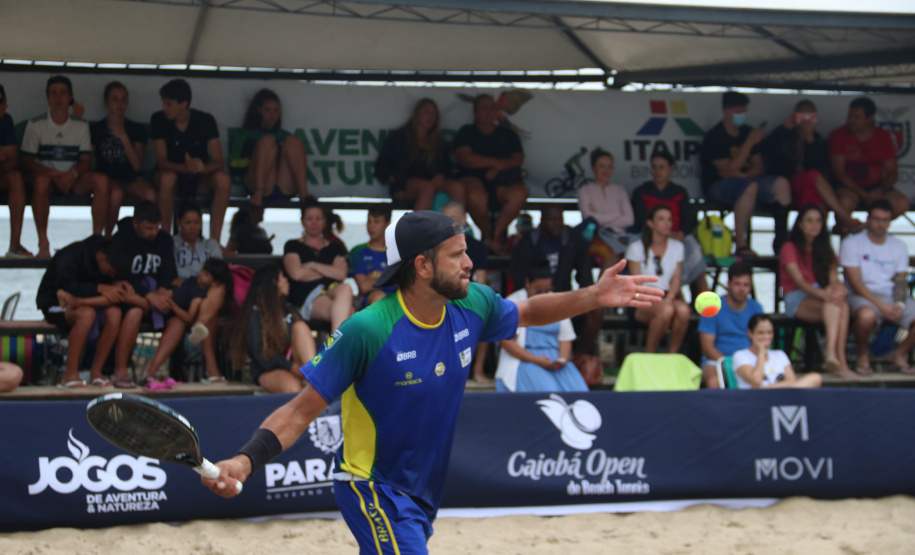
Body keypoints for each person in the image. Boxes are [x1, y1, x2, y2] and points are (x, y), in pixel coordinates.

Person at [202, 210, 662, 553]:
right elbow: (300, 411)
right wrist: (245, 461)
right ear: (422, 266)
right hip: (373, 485)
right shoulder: (369, 329)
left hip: (423, 490)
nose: (469, 262)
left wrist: (594, 295)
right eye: (457, 254)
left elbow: (528, 311)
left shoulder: (472, 303)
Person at [20, 75, 110, 258]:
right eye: (53, 93)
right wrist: (52, 174)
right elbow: (26, 161)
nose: (58, 98)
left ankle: (96, 241)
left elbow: (86, 160)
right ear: (47, 98)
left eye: (62, 93)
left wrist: (72, 175)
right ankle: (43, 243)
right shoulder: (36, 124)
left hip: (73, 179)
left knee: (101, 181)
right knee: (40, 182)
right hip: (47, 179)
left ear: (71, 97)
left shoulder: (80, 125)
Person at [699, 91, 792, 256]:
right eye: (738, 112)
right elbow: (729, 169)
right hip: (719, 187)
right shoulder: (715, 137)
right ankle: (741, 244)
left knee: (781, 184)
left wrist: (744, 176)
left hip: (749, 181)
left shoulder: (748, 131)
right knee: (749, 187)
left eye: (744, 111)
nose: (742, 115)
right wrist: (749, 142)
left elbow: (758, 166)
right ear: (727, 112)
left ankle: (781, 240)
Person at [35, 235, 135, 388]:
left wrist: (116, 283)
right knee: (87, 314)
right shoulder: (72, 255)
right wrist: (100, 288)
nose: (112, 276)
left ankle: (97, 372)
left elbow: (113, 293)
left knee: (114, 313)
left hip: (86, 301)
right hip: (55, 301)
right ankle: (70, 375)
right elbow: (64, 288)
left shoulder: (111, 253)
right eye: (111, 272)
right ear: (102, 259)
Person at [760, 99, 863, 235]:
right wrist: (785, 129)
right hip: (786, 186)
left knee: (816, 204)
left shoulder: (818, 140)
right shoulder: (781, 134)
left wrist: (810, 142)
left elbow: (819, 167)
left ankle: (817, 244)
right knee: (812, 177)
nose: (805, 121)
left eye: (810, 117)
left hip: (808, 189)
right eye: (801, 116)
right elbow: (768, 155)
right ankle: (844, 217)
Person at [510, 205, 602, 358]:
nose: (556, 223)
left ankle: (580, 355)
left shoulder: (573, 239)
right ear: (541, 221)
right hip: (533, 298)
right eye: (551, 219)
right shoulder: (528, 242)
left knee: (596, 309)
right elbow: (519, 277)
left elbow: (585, 276)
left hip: (565, 296)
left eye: (559, 218)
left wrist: (586, 298)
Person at [840, 200, 915, 375]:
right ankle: (862, 355)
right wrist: (883, 307)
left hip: (890, 296)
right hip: (861, 296)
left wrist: (899, 305)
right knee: (866, 316)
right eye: (877, 219)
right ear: (868, 219)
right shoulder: (852, 243)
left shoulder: (899, 245)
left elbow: (901, 280)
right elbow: (855, 283)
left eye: (885, 220)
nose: (881, 224)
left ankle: (899, 354)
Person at [778, 205, 854, 378]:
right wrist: (826, 294)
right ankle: (836, 359)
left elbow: (833, 277)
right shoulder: (789, 247)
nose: (814, 225)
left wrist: (839, 289)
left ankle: (835, 357)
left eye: (818, 221)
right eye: (809, 221)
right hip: (797, 297)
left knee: (842, 306)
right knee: (836, 304)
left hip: (822, 297)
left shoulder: (825, 248)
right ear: (800, 224)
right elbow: (799, 281)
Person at [150, 78, 230, 242]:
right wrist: (185, 167)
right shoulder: (158, 119)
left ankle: (215, 242)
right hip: (172, 179)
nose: (164, 108)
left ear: (184, 103)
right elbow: (161, 162)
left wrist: (202, 168)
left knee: (224, 179)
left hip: (199, 180)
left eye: (169, 104)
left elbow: (219, 162)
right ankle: (164, 240)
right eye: (163, 103)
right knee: (167, 178)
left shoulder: (205, 120)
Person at [137, 258, 234, 389]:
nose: (201, 274)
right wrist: (167, 301)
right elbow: (179, 303)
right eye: (203, 271)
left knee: (208, 317)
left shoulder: (203, 293)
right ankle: (151, 372)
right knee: (197, 321)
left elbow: (188, 314)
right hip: (171, 309)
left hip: (185, 312)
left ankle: (201, 324)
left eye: (206, 274)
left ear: (214, 282)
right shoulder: (191, 284)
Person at [496, 257, 588, 393]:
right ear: (528, 282)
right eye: (538, 291)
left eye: (547, 290)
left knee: (579, 391)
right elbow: (506, 342)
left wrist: (562, 359)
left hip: (555, 364)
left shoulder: (556, 300)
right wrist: (536, 360)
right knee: (548, 392)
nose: (544, 295)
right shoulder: (514, 302)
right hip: (526, 361)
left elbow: (565, 338)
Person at [112, 201, 178, 387]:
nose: (153, 232)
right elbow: (120, 273)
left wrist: (163, 290)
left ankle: (151, 372)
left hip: (158, 294)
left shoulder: (164, 239)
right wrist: (148, 294)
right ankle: (120, 370)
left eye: (156, 227)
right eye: (149, 228)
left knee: (178, 319)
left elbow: (168, 271)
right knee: (135, 313)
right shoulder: (121, 239)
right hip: (133, 296)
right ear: (136, 224)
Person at [454, 94, 528, 253]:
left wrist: (497, 169)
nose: (488, 111)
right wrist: (497, 164)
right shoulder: (467, 131)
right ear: (475, 112)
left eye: (492, 107)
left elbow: (518, 159)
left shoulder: (508, 134)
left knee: (519, 193)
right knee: (475, 195)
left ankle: (494, 237)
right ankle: (487, 237)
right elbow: (465, 157)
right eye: (484, 107)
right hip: (472, 180)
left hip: (503, 182)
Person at [631, 151, 708, 298]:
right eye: (654, 167)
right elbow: (640, 220)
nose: (657, 171)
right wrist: (660, 233)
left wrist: (681, 233)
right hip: (649, 237)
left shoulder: (680, 192)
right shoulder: (641, 191)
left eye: (662, 167)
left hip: (678, 236)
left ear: (670, 169)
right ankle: (668, 291)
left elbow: (689, 220)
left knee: (696, 252)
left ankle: (706, 305)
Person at [229, 265, 316, 393]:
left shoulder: (289, 308)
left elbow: (305, 343)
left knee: (300, 326)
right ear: (273, 283)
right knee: (292, 388)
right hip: (268, 369)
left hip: (298, 365)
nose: (287, 281)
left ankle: (314, 376)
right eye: (283, 278)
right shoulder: (255, 313)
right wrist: (291, 367)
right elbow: (260, 356)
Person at [90, 81, 157, 235]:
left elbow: (137, 165)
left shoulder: (136, 129)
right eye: (115, 99)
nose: (119, 104)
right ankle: (107, 237)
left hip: (133, 179)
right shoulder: (96, 129)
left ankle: (144, 236)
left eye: (123, 99)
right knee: (115, 194)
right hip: (109, 178)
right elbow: (89, 159)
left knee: (150, 194)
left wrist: (124, 137)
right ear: (106, 101)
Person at [374, 98, 465, 211]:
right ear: (416, 114)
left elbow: (447, 168)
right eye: (426, 112)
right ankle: (416, 227)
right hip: (405, 185)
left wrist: (441, 175)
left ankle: (457, 226)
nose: (430, 116)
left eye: (433, 113)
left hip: (433, 183)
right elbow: (381, 167)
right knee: (427, 188)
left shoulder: (439, 142)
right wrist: (394, 177)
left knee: (457, 188)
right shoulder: (399, 138)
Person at [172, 201, 227, 379]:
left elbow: (218, 272)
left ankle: (199, 323)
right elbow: (172, 275)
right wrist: (199, 277)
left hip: (209, 293)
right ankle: (212, 371)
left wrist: (190, 277)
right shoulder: (172, 244)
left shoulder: (211, 245)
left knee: (218, 289)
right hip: (186, 295)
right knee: (211, 314)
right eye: (188, 222)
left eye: (197, 222)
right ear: (179, 222)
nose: (193, 227)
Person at [625, 205, 690, 354]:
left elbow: (676, 278)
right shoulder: (636, 247)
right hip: (641, 298)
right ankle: (650, 353)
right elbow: (636, 282)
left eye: (669, 219)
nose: (667, 223)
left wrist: (670, 297)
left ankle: (672, 354)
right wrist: (661, 301)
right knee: (666, 310)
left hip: (667, 295)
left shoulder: (678, 246)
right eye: (661, 219)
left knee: (683, 310)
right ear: (650, 223)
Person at [283, 197, 354, 331]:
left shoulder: (335, 247)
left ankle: (334, 347)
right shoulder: (292, 245)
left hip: (333, 291)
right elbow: (296, 274)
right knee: (349, 313)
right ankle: (336, 348)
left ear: (324, 221)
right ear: (302, 221)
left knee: (345, 288)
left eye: (318, 219)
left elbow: (341, 274)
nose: (314, 223)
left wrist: (312, 265)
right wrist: (329, 270)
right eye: (310, 219)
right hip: (307, 296)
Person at [830, 97, 907, 219]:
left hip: (877, 187)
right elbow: (839, 172)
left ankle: (868, 228)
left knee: (902, 202)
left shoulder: (883, 137)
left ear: (870, 118)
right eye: (850, 115)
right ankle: (844, 234)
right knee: (845, 202)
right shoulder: (838, 135)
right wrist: (862, 193)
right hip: (849, 188)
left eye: (857, 117)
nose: (851, 120)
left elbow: (892, 172)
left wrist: (880, 189)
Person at [441, 200, 490, 383]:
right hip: (443, 296)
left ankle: (478, 370)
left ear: (464, 219)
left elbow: (482, 281)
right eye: (445, 219)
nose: (449, 224)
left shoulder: (477, 247)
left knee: (484, 314)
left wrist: (471, 296)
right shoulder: (436, 245)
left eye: (453, 219)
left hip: (468, 293)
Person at [233, 88, 308, 206]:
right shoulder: (246, 134)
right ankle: (258, 192)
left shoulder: (284, 135)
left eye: (276, 110)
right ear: (258, 110)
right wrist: (256, 156)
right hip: (259, 186)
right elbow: (234, 165)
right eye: (267, 110)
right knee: (267, 141)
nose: (272, 115)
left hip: (284, 184)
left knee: (293, 141)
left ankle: (305, 197)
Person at [698, 262, 762, 388]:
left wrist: (744, 363)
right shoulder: (712, 307)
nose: (742, 289)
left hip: (748, 361)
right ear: (728, 284)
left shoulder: (756, 307)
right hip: (717, 362)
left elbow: (761, 340)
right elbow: (707, 347)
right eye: (737, 284)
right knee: (714, 382)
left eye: (746, 285)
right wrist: (731, 363)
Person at [577, 148, 637, 270]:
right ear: (593, 168)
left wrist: (599, 216)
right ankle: (600, 289)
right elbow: (589, 219)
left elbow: (629, 220)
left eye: (610, 167)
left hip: (621, 238)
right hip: (597, 237)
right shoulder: (584, 191)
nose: (606, 170)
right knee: (613, 255)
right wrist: (617, 214)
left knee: (637, 251)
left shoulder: (619, 190)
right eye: (602, 166)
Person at [733, 314, 823, 389]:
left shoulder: (780, 354)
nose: (766, 337)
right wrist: (761, 352)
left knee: (815, 377)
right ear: (750, 333)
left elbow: (792, 380)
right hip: (755, 401)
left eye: (769, 333)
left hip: (782, 396)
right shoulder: (740, 355)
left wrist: (768, 388)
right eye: (761, 333)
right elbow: (756, 381)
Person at [0, 83, 30, 258]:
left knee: (16, 178)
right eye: (3, 103)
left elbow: (12, 160)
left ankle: (15, 245)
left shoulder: (6, 120)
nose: (6, 106)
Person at [348, 204, 394, 308]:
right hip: (370, 301)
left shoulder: (398, 251)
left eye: (376, 222)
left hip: (399, 298)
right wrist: (392, 277)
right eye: (369, 221)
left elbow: (407, 282)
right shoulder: (358, 252)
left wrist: (375, 276)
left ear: (388, 225)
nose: (371, 226)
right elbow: (363, 287)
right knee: (379, 298)